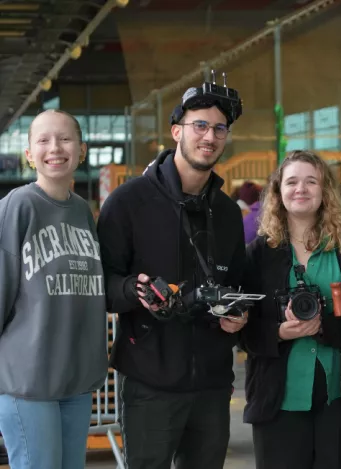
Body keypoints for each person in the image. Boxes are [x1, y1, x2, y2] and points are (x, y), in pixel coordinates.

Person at [97, 77, 248, 469]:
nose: (209, 137)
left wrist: (239, 315)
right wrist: (134, 289)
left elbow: (240, 285)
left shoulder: (228, 213)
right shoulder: (128, 202)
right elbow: (101, 286)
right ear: (176, 130)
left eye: (219, 129)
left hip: (213, 384)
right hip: (150, 382)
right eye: (200, 125)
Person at [241, 150, 341, 469]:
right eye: (291, 182)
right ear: (278, 192)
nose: (300, 189)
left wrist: (323, 326)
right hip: (278, 397)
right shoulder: (259, 254)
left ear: (325, 191)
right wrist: (278, 331)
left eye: (311, 181)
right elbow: (242, 327)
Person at [0, 109, 108, 469]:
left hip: (74, 377)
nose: (55, 148)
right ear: (29, 154)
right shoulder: (18, 206)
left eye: (64, 138)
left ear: (82, 149)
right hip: (28, 381)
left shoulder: (82, 212)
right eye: (43, 140)